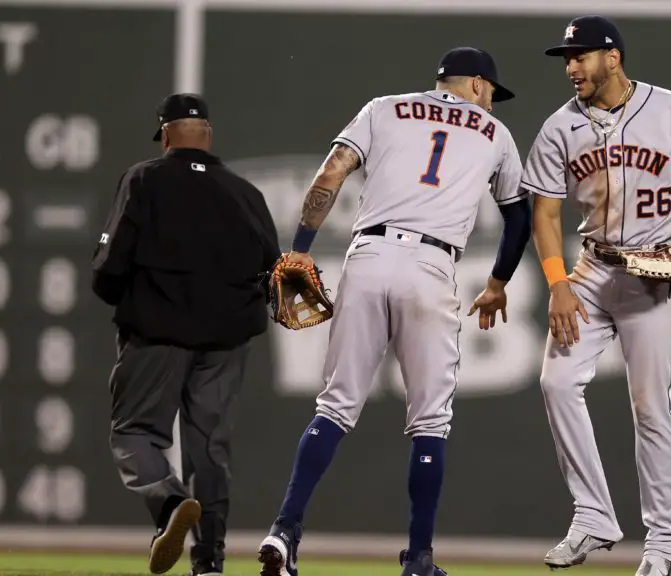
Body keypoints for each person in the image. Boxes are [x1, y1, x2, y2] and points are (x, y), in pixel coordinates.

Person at [256, 46, 532, 576]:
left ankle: (284, 532)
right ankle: (419, 559)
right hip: (431, 267)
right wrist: (497, 283)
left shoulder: (384, 107)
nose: (492, 104)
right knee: (430, 421)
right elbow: (517, 218)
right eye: (492, 92)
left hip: (367, 256)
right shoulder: (494, 134)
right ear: (476, 85)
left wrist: (299, 248)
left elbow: (329, 175)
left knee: (335, 407)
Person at [521, 15, 671, 576]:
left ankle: (662, 546)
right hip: (592, 270)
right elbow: (543, 213)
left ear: (612, 57)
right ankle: (593, 514)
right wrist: (557, 284)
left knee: (650, 408)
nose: (572, 67)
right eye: (567, 58)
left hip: (655, 274)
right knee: (556, 381)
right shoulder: (558, 128)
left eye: (582, 56)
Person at [91, 93, 281, 576]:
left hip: (157, 332)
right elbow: (273, 273)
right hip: (226, 340)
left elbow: (109, 268)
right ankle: (209, 559)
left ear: (167, 135)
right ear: (209, 136)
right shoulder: (245, 193)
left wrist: (127, 298)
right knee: (210, 450)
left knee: (134, 433)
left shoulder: (145, 178)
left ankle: (170, 501)